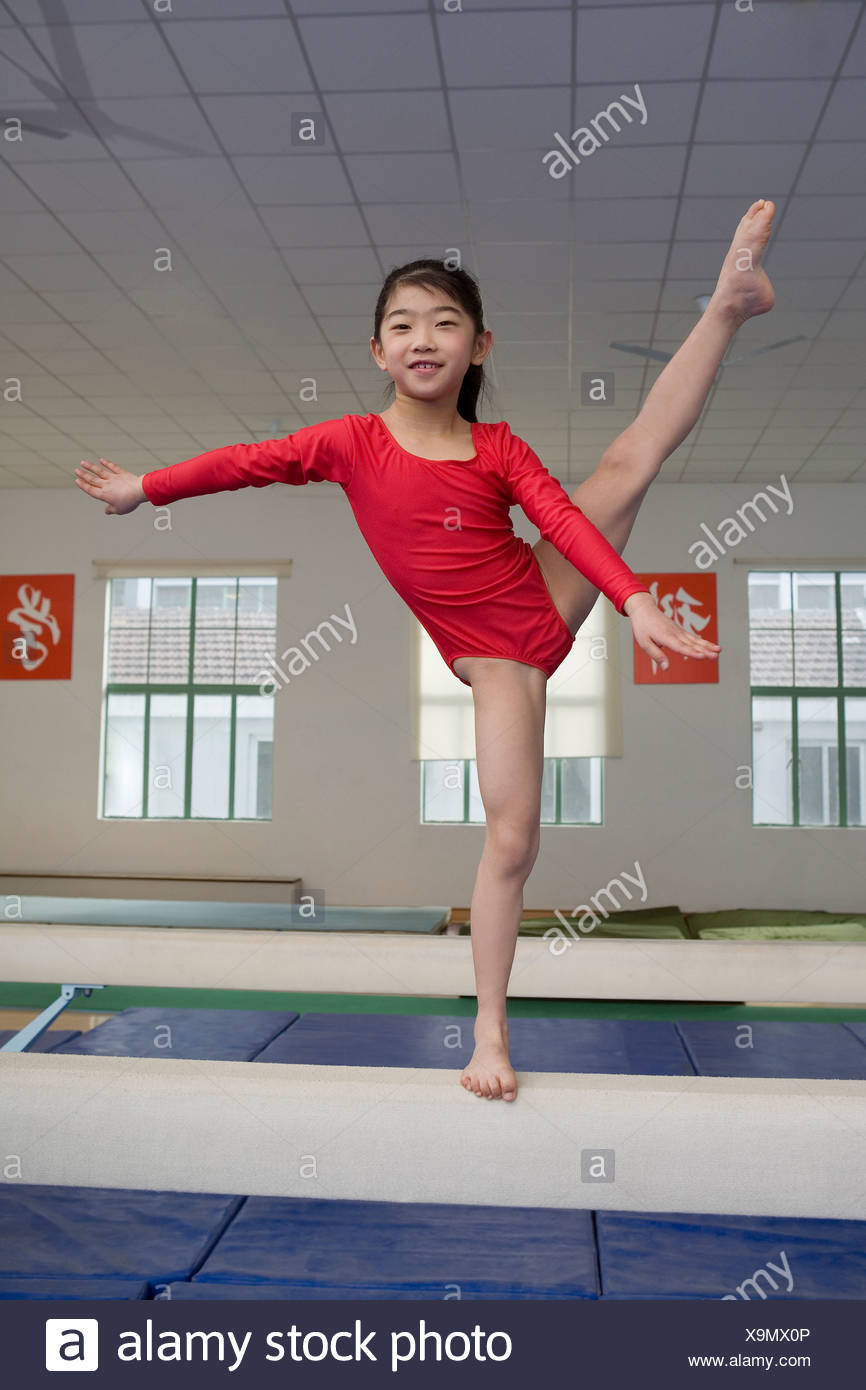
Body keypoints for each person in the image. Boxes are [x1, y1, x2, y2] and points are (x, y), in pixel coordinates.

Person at [75, 199, 777, 1104]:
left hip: (540, 600)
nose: (423, 337)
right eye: (403, 324)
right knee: (514, 839)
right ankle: (489, 1031)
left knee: (629, 459)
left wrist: (631, 598)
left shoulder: (497, 448)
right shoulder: (348, 443)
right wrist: (146, 487)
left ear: (478, 347)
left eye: (446, 323)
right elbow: (245, 461)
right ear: (377, 351)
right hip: (499, 661)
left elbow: (559, 519)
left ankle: (727, 303)